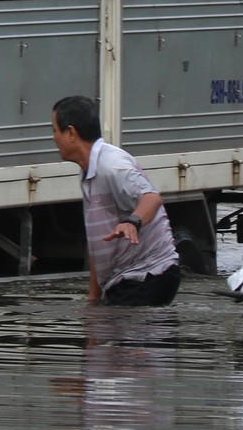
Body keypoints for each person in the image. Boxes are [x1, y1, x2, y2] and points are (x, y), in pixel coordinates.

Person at [50, 95, 181, 307]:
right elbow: (97, 242)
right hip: (124, 278)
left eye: (55, 130)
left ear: (71, 132)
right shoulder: (87, 171)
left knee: (127, 337)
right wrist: (93, 299)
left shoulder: (112, 165)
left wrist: (132, 222)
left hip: (149, 273)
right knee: (107, 332)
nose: (54, 138)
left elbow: (151, 198)